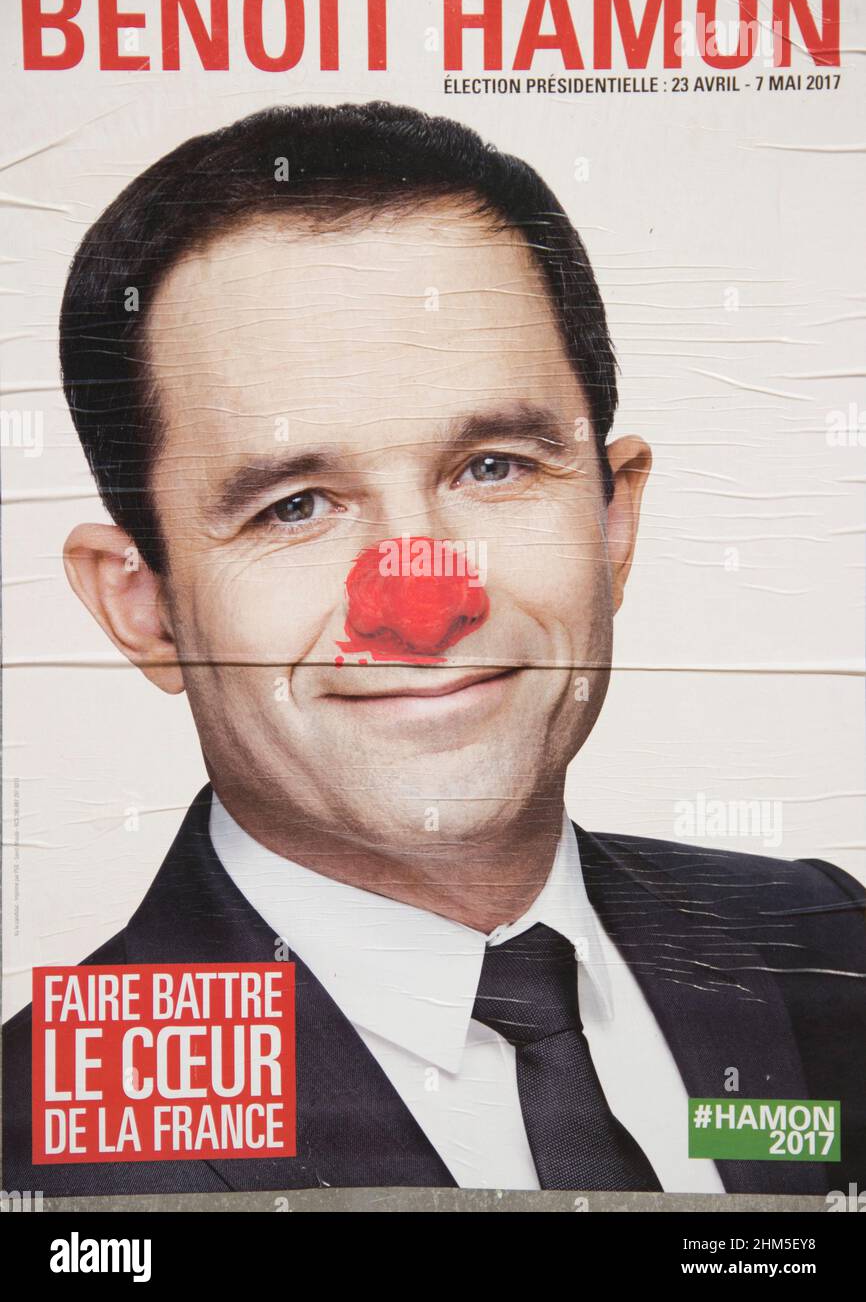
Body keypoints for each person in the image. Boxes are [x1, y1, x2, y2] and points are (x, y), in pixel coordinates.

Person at [3, 102, 865, 1198]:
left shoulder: (826, 947)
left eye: (493, 467)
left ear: (613, 523)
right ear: (145, 608)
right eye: (294, 505)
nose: (423, 601)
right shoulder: (26, 1140)